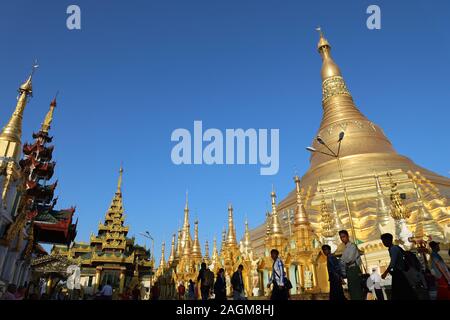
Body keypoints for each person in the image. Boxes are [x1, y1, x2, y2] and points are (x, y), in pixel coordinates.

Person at [380, 233, 416, 300]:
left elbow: (392, 263)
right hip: (399, 273)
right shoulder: (393, 248)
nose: (383, 243)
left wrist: (385, 273)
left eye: (384, 241)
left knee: (401, 294)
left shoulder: (393, 249)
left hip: (399, 274)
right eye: (383, 241)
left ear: (389, 240)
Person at [339, 230, 364, 300]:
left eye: (343, 236)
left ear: (347, 236)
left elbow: (349, 260)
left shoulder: (352, 246)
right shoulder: (345, 249)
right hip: (349, 271)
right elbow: (343, 261)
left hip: (354, 270)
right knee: (352, 290)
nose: (342, 239)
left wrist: (343, 263)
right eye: (341, 237)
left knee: (357, 290)